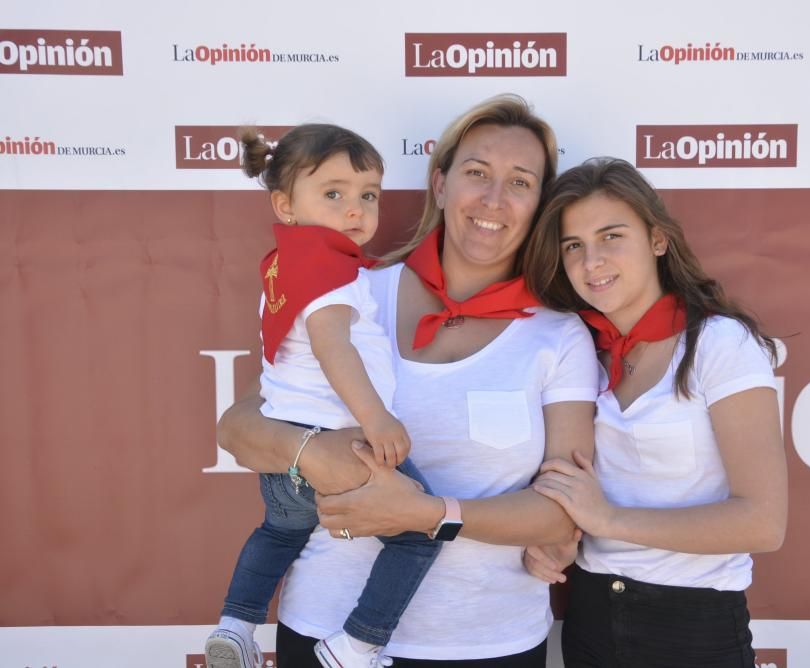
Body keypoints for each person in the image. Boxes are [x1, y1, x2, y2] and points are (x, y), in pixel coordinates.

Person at [217, 95, 600, 667]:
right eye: (476, 173)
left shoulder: (559, 335)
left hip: (489, 643)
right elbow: (239, 427)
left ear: (540, 203)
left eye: (520, 182)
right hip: (321, 630)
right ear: (440, 184)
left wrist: (429, 514)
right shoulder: (352, 292)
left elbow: (564, 512)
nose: (493, 199)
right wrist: (310, 452)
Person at [521, 157, 788, 668]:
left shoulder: (718, 344)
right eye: (573, 246)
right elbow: (571, 484)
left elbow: (763, 522)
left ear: (658, 240)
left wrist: (609, 520)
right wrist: (557, 542)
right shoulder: (580, 351)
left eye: (611, 236)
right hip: (591, 616)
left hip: (692, 625)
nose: (591, 261)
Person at [206, 124, 442, 668]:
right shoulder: (330, 272)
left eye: (368, 195)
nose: (355, 209)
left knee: (278, 533)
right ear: (285, 205)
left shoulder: (284, 265)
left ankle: (236, 625)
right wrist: (377, 419)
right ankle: (356, 642)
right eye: (333, 194)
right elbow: (334, 348)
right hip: (342, 445)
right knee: (419, 535)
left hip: (285, 451)